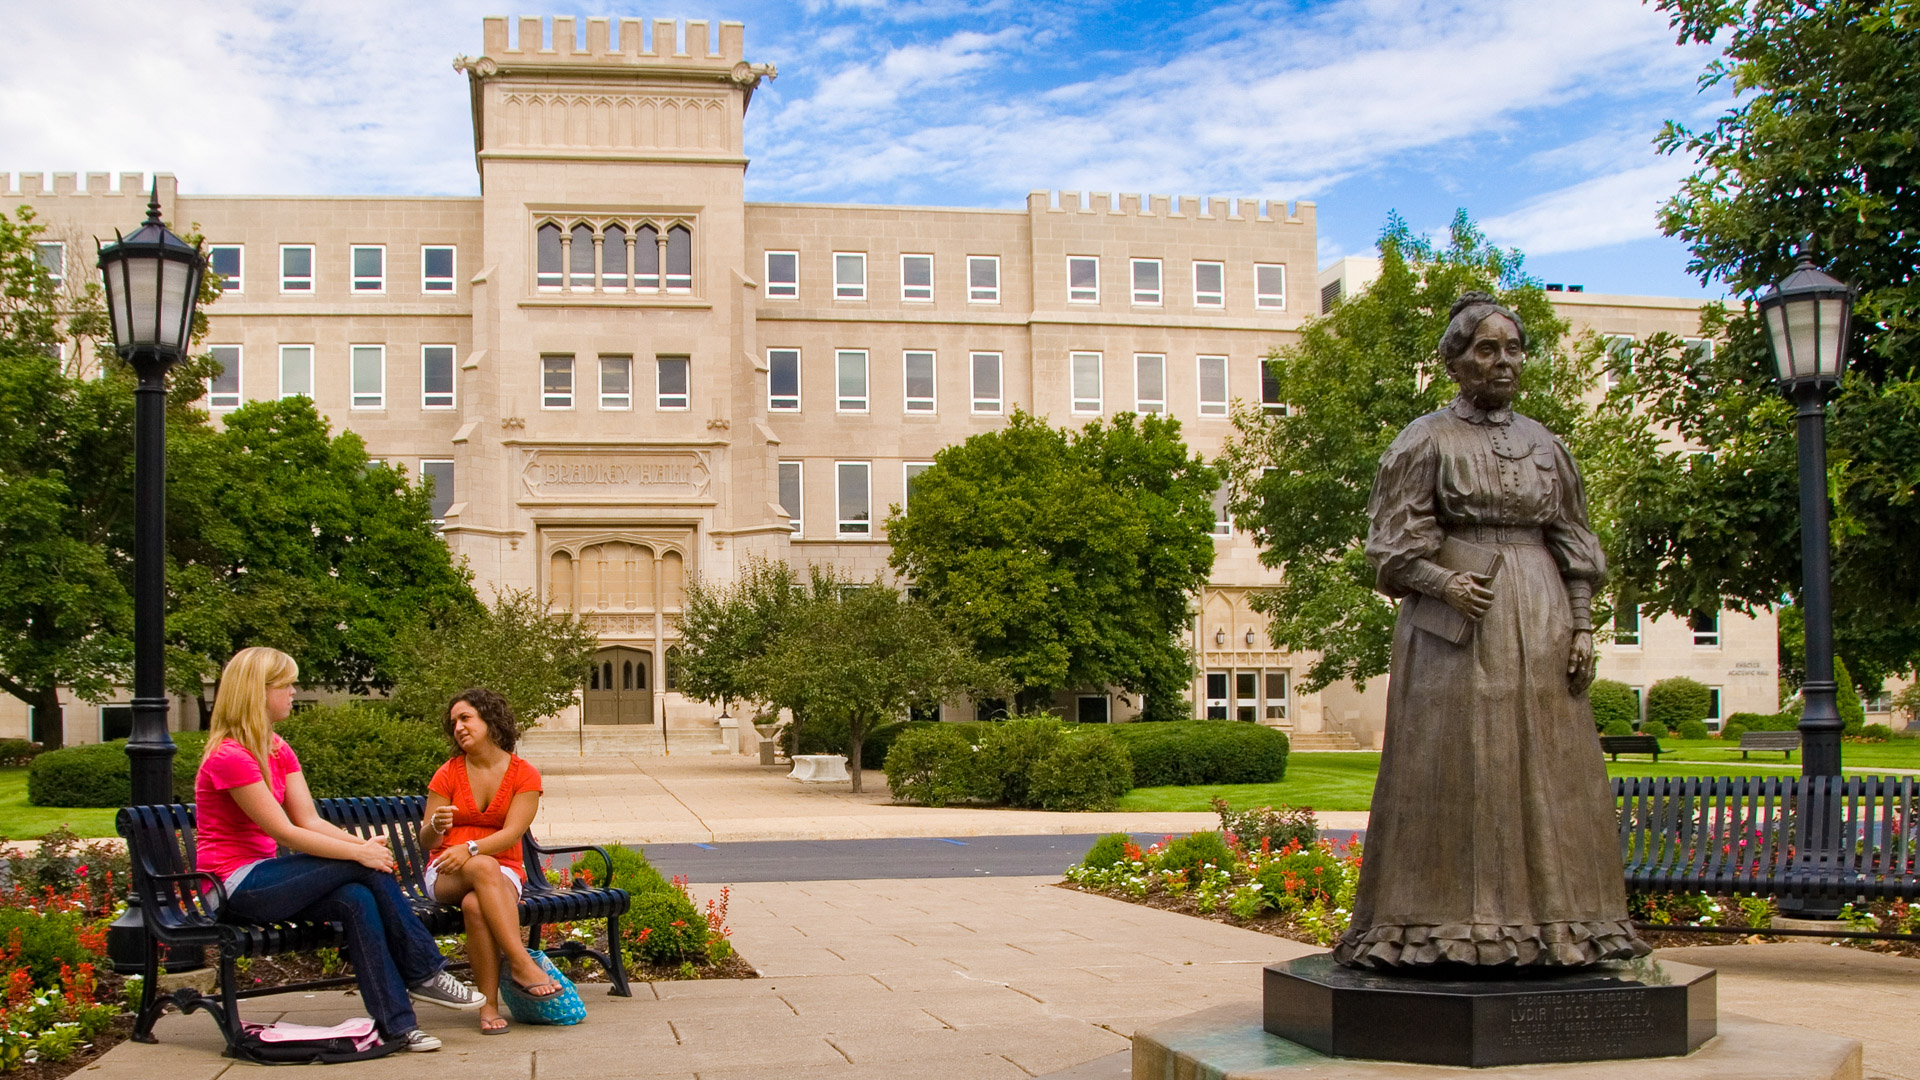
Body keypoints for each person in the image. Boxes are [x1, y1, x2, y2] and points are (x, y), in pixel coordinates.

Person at [1332, 292, 1650, 969]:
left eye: (1512, 349)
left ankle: (1566, 928)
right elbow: (1389, 548)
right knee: (1458, 769)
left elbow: (1574, 540)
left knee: (1548, 771)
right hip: (1456, 629)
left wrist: (1585, 625)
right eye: (1486, 349)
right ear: (1456, 361)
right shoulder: (1424, 439)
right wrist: (1441, 581)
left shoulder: (1545, 444)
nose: (1503, 361)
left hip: (1542, 616)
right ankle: (1434, 928)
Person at [194, 647, 483, 1051]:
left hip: (268, 879)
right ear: (257, 692)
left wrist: (361, 845)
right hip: (233, 884)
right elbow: (285, 832)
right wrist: (360, 855)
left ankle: (398, 1027)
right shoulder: (230, 756)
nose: (295, 691)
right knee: (363, 870)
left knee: (356, 898)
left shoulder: (277, 748)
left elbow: (310, 819)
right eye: (287, 684)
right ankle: (424, 972)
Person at [418, 689, 561, 1035]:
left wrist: (469, 848)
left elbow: (513, 834)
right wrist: (435, 828)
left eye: (466, 718)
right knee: (483, 867)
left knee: (476, 905)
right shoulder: (447, 773)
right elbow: (427, 842)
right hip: (447, 871)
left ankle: (489, 1006)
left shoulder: (524, 774)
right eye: (454, 723)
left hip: (504, 871)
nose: (458, 727)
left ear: (490, 720)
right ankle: (521, 963)